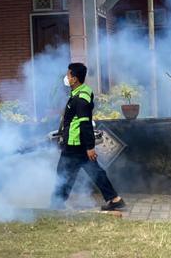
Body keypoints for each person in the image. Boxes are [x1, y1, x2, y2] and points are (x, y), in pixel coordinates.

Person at [51, 62, 125, 211]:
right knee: (91, 171)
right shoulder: (80, 93)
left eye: (68, 75)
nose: (66, 77)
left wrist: (90, 147)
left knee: (64, 171)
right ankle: (114, 199)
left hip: (76, 143)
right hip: (76, 142)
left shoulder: (81, 98)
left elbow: (85, 124)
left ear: (75, 79)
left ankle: (57, 202)